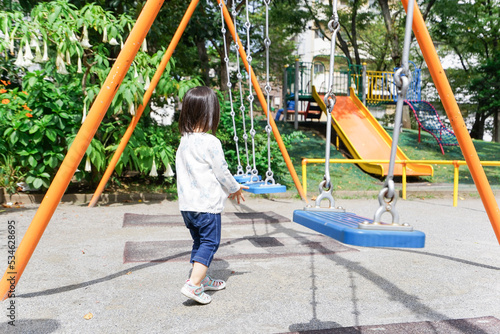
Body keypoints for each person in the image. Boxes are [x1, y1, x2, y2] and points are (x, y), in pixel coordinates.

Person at [176, 86, 248, 305]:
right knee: (209, 242)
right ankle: (193, 285)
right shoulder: (210, 142)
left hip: (187, 206)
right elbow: (222, 171)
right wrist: (235, 188)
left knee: (199, 242)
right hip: (206, 207)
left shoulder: (184, 140)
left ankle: (202, 278)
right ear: (211, 113)